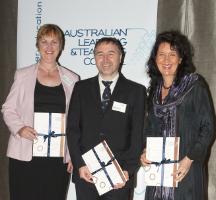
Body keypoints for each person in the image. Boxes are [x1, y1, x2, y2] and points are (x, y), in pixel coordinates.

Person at [1, 24, 79, 200]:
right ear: (37, 45)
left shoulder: (72, 79)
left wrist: (73, 154)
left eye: (54, 42)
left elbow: (76, 120)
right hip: (25, 153)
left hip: (58, 158)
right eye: (44, 42)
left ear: (61, 45)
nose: (49, 47)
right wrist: (19, 128)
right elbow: (8, 108)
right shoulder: (22, 75)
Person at [66, 37, 146, 200]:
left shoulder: (136, 91)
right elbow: (72, 129)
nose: (105, 59)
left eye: (111, 53)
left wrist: (128, 170)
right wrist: (79, 164)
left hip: (119, 175)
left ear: (120, 57)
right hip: (86, 174)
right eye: (100, 54)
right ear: (94, 57)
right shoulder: (81, 88)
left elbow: (138, 133)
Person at [140, 30, 215, 200]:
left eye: (172, 54)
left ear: (181, 59)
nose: (166, 60)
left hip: (185, 169)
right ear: (155, 59)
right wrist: (145, 151)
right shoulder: (154, 90)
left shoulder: (195, 84)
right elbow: (149, 128)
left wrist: (189, 159)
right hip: (157, 174)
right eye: (161, 54)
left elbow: (208, 127)